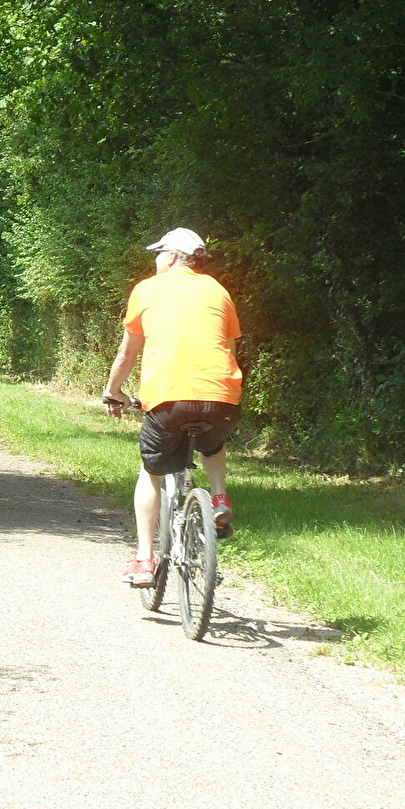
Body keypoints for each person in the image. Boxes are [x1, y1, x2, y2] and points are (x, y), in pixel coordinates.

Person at [102, 227, 242, 589]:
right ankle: (219, 497)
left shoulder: (147, 289)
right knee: (212, 443)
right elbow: (227, 348)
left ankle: (145, 559)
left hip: (168, 399)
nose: (155, 258)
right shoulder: (219, 290)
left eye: (159, 252)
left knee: (151, 472)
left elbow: (127, 353)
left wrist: (112, 391)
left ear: (171, 256)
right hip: (222, 396)